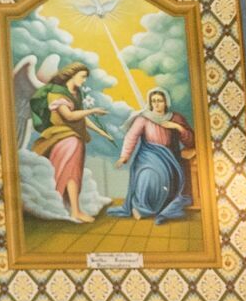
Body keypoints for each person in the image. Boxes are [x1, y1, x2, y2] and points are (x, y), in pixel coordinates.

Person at [27, 63, 108, 223]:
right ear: (72, 75)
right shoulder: (57, 94)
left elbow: (81, 118)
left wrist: (101, 132)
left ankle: (74, 210)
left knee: (75, 174)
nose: (84, 81)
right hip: (63, 139)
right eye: (82, 76)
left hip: (73, 139)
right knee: (70, 173)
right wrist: (92, 110)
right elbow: (70, 116)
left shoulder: (74, 94)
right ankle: (74, 211)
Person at [108, 88, 196, 222]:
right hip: (148, 155)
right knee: (147, 176)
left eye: (159, 101)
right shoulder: (143, 118)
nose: (156, 104)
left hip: (169, 157)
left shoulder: (176, 118)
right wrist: (124, 156)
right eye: (153, 101)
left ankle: (155, 208)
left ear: (166, 102)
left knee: (165, 179)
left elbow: (190, 141)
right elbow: (131, 136)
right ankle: (140, 208)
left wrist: (178, 127)